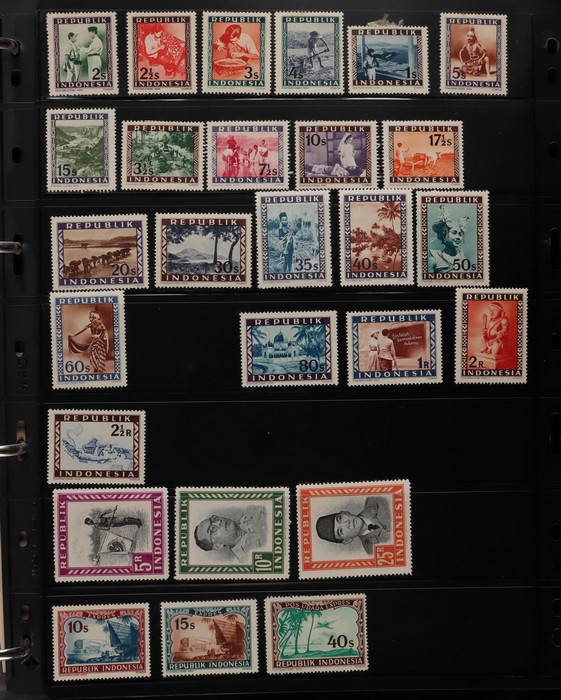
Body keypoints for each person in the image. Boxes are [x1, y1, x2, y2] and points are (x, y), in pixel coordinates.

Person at [315, 498, 389, 555]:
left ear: (345, 512)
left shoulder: (375, 499)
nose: (347, 523)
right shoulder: (372, 551)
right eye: (341, 531)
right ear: (347, 540)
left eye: (340, 518)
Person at [194, 508, 266, 563]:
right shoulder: (250, 558)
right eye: (212, 529)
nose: (219, 522)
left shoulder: (250, 512)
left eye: (214, 519)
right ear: (218, 546)